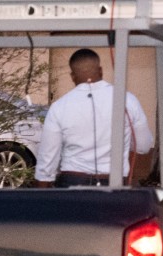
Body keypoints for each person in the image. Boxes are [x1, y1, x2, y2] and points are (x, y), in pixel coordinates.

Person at [34, 48, 153, 188]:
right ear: (100, 70)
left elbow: (48, 158)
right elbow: (143, 146)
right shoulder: (128, 100)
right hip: (114, 182)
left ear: (72, 76)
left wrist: (43, 192)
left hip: (72, 181)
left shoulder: (59, 106)